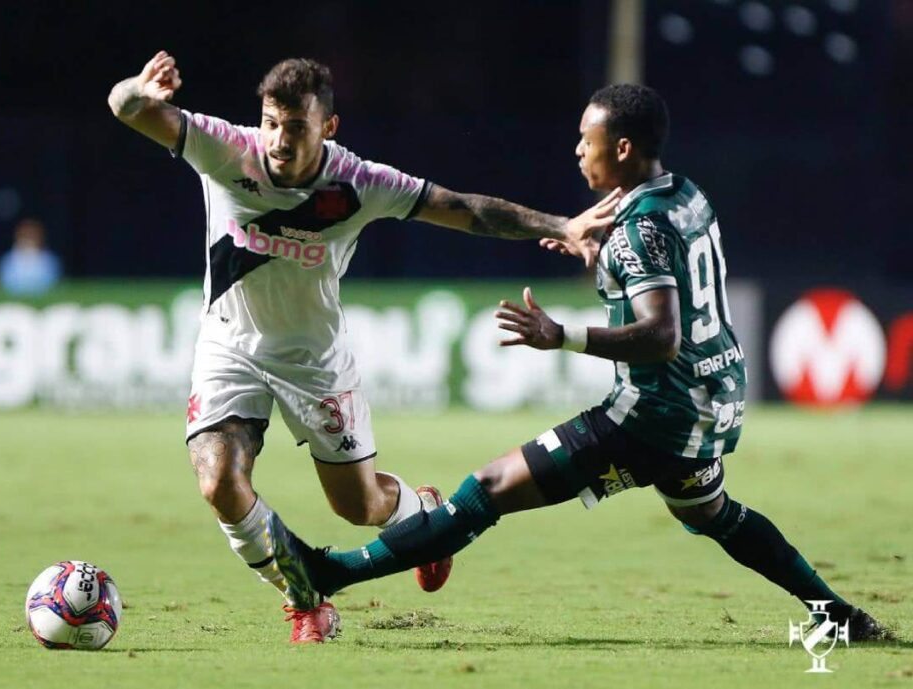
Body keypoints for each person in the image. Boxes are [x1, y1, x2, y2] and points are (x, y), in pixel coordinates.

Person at [268, 84, 892, 642]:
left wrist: (559, 334)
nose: (576, 151)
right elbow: (665, 283)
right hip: (716, 395)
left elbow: (662, 335)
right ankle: (836, 613)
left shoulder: (637, 228)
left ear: (621, 148)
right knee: (711, 513)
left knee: (486, 489)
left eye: (586, 140)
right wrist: (606, 262)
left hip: (655, 414)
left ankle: (332, 571)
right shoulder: (683, 195)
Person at [107, 51, 620, 643]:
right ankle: (305, 599)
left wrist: (559, 225)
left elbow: (464, 209)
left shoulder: (360, 183)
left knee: (358, 505)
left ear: (328, 127)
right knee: (218, 482)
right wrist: (140, 89)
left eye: (296, 127)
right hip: (229, 346)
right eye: (272, 122)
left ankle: (415, 513)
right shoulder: (225, 148)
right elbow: (126, 108)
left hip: (315, 362)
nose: (278, 139)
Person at [0, 218, 63, 295]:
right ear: (17, 236)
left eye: (32, 235)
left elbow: (55, 287)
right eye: (25, 235)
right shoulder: (6, 260)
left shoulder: (51, 261)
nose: (29, 238)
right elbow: (0, 287)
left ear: (41, 237)